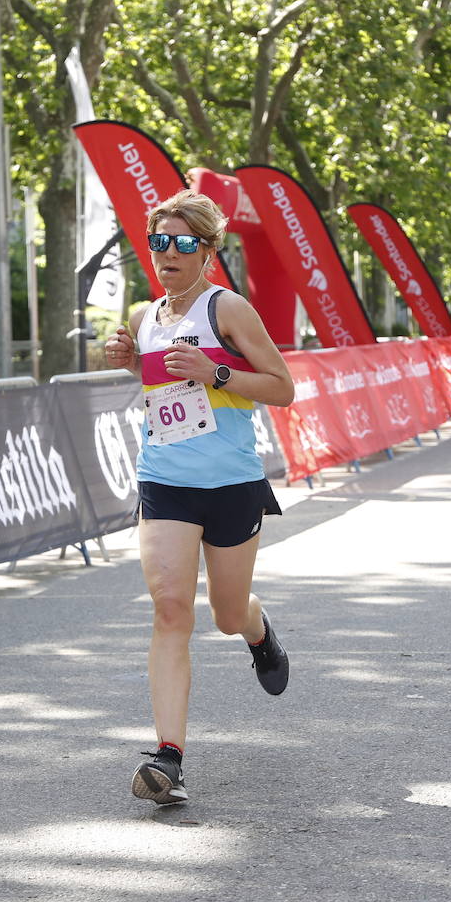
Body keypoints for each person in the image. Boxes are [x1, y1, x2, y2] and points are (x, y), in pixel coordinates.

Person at [103, 189, 295, 806]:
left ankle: (259, 633)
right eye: (159, 242)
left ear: (208, 251)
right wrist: (128, 358)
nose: (168, 254)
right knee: (169, 610)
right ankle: (168, 757)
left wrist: (215, 373)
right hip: (164, 479)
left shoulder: (227, 309)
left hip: (232, 483)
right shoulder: (144, 316)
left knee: (226, 613)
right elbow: (157, 385)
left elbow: (282, 387)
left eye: (184, 243)